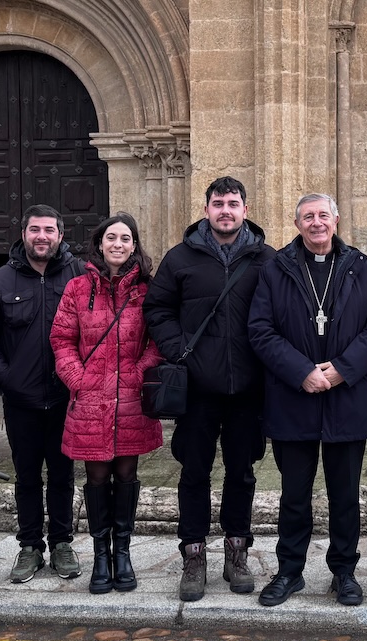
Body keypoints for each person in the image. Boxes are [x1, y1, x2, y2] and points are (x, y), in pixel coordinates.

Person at [248, 193, 367, 607]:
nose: (316, 223)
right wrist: (302, 372)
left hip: (346, 396)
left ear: (336, 220)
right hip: (293, 397)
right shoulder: (276, 269)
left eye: (323, 215)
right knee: (295, 494)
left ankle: (344, 572)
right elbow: (260, 329)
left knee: (345, 494)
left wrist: (341, 368)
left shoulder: (362, 268)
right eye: (308, 217)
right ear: (297, 224)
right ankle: (290, 571)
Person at [144, 176, 275, 601]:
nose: (225, 210)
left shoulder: (265, 260)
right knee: (194, 473)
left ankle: (237, 552)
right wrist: (178, 349)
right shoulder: (180, 257)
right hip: (197, 388)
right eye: (218, 203)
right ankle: (194, 555)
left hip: (248, 389)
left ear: (245, 209)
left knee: (242, 472)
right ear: (206, 210)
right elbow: (157, 308)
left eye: (233, 203)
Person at [50, 212, 164, 595]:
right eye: (111, 237)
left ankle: (124, 552)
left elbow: (158, 340)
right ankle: (102, 554)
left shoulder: (147, 290)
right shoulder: (78, 289)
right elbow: (62, 339)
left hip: (132, 398)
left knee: (127, 475)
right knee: (97, 477)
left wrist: (137, 373)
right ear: (99, 244)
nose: (118, 244)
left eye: (126, 238)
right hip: (91, 399)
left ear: (135, 245)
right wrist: (79, 380)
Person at [0, 204, 86, 584]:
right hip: (21, 399)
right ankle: (29, 547)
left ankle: (61, 545)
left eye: (49, 230)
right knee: (26, 476)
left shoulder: (79, 275)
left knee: (62, 475)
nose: (42, 237)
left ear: (60, 234)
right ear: (24, 234)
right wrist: (4, 376)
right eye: (35, 230)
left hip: (65, 396)